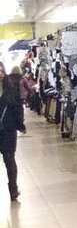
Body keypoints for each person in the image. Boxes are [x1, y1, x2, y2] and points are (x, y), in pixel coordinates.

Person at [0, 65, 26, 201]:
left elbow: (18, 109)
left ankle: (13, 189)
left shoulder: (11, 90)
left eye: (1, 71)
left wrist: (20, 125)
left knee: (9, 160)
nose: (0, 73)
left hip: (8, 130)